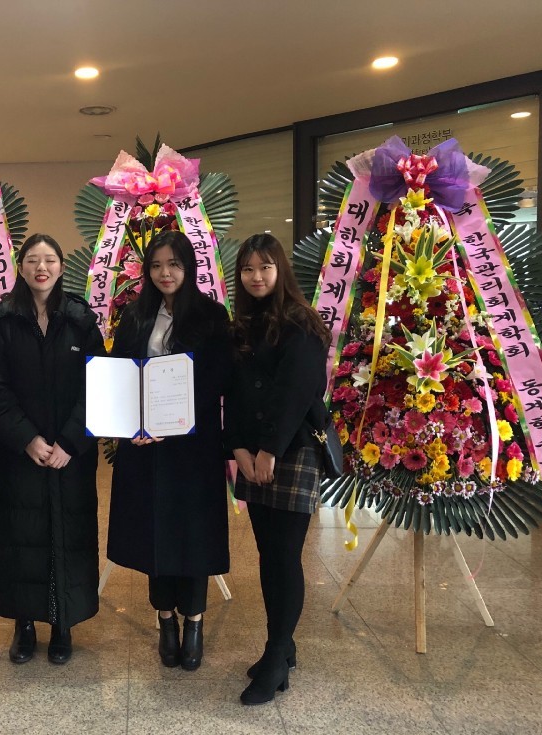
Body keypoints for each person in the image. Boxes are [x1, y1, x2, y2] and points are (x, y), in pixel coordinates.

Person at [106, 229, 231, 671]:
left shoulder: (212, 316)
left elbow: (217, 379)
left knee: (193, 533)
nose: (165, 273)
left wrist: (173, 421)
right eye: (156, 265)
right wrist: (132, 424)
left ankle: (194, 619)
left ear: (189, 267)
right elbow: (122, 373)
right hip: (146, 447)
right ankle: (165, 619)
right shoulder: (136, 315)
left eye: (173, 264)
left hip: (193, 447)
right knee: (154, 533)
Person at [0, 233, 105, 665]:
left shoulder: (81, 321)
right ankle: (25, 625)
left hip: (72, 455)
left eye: (50, 259)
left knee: (70, 534)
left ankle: (63, 624)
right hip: (24, 454)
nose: (41, 267)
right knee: (23, 538)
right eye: (32, 260)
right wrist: (27, 438)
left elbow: (98, 386)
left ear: (61, 267)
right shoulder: (3, 321)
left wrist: (70, 441)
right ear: (21, 267)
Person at [223, 233, 331, 705]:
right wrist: (238, 448)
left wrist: (269, 450)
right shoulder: (241, 326)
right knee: (268, 555)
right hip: (253, 453)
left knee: (285, 555)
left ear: (280, 270)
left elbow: (297, 392)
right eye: (248, 269)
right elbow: (232, 393)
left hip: (293, 449)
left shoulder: (301, 322)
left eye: (265, 267)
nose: (256, 276)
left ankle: (275, 654)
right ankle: (282, 646)